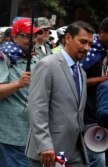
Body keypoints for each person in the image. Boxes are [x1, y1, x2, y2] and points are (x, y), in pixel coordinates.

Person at [25, 21, 95, 167]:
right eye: (83, 42)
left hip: (76, 149)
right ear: (68, 38)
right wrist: (45, 144)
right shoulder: (47, 65)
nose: (87, 48)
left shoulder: (81, 73)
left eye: (90, 43)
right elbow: (37, 107)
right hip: (49, 151)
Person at [80, 16, 108, 167]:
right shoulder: (86, 52)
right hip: (86, 114)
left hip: (104, 113)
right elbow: (71, 81)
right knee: (98, 161)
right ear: (102, 33)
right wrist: (100, 80)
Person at [0, 18, 42, 167]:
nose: (32, 40)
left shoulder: (37, 59)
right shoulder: (4, 58)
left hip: (33, 135)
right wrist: (18, 84)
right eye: (27, 36)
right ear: (14, 37)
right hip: (10, 135)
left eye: (34, 36)